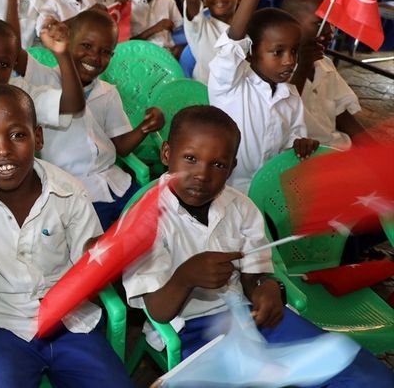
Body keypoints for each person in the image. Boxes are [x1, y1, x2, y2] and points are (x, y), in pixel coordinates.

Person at [122, 105, 394, 386]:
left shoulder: (241, 207)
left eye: (218, 165)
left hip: (250, 316)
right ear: (167, 154)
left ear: (232, 167)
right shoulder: (143, 220)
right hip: (191, 331)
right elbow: (159, 311)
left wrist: (267, 288)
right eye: (191, 158)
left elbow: (253, 277)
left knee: (368, 377)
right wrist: (186, 277)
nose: (202, 174)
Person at [0, 84, 133, 387]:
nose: (3, 150)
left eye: (18, 135)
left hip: (70, 322)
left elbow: (90, 262)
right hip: (2, 324)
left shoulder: (69, 192)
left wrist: (104, 258)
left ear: (38, 137)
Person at [26, 10, 164, 229]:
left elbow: (121, 146)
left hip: (116, 183)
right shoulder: (44, 83)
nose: (95, 57)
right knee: (101, 239)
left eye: (105, 52)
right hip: (73, 191)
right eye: (86, 46)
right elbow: (14, 57)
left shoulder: (108, 92)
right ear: (67, 41)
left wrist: (146, 126)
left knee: (154, 222)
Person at [207, 0, 319, 194]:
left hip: (269, 194)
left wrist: (301, 146)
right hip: (225, 192)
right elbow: (234, 40)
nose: (290, 61)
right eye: (278, 52)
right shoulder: (229, 86)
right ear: (250, 53)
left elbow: (291, 145)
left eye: (294, 51)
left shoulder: (291, 97)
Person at [282, 0, 368, 150]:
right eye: (319, 23)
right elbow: (284, 112)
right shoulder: (277, 70)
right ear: (290, 25)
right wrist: (303, 67)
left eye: (331, 23)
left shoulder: (324, 64)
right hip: (300, 154)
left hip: (335, 149)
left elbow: (342, 115)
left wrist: (377, 151)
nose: (330, 32)